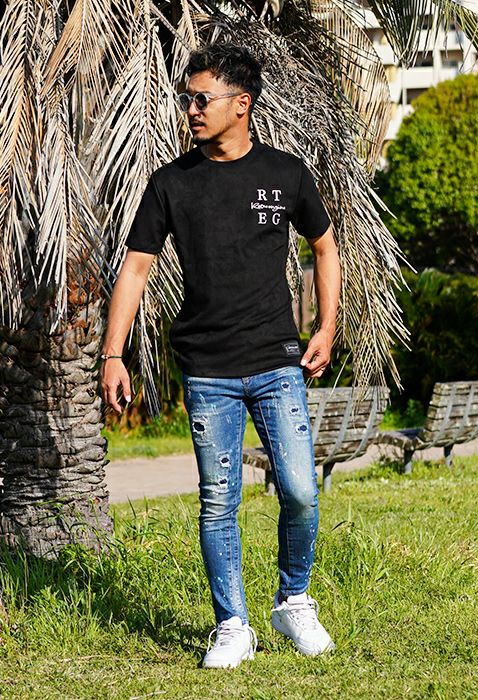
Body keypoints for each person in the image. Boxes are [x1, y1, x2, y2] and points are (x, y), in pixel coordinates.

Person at [100, 43, 341, 669]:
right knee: (218, 502)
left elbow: (324, 245)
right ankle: (232, 625)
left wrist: (325, 326)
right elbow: (135, 268)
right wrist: (113, 353)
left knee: (300, 491)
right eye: (188, 99)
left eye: (202, 98)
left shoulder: (286, 174)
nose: (191, 109)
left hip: (277, 363)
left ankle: (293, 600)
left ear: (242, 104)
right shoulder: (171, 183)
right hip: (207, 371)